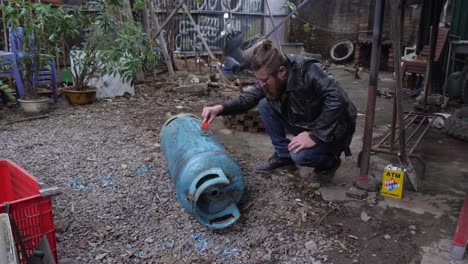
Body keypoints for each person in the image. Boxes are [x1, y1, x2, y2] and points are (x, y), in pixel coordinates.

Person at [202, 40, 357, 183]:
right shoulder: (272, 74)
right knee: (265, 104)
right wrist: (219, 108)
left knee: (301, 156)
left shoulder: (309, 70)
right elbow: (248, 98)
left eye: (264, 80)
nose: (260, 84)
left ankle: (329, 163)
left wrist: (315, 135)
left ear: (281, 71)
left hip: (333, 128)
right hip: (306, 120)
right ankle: (283, 156)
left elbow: (338, 98)